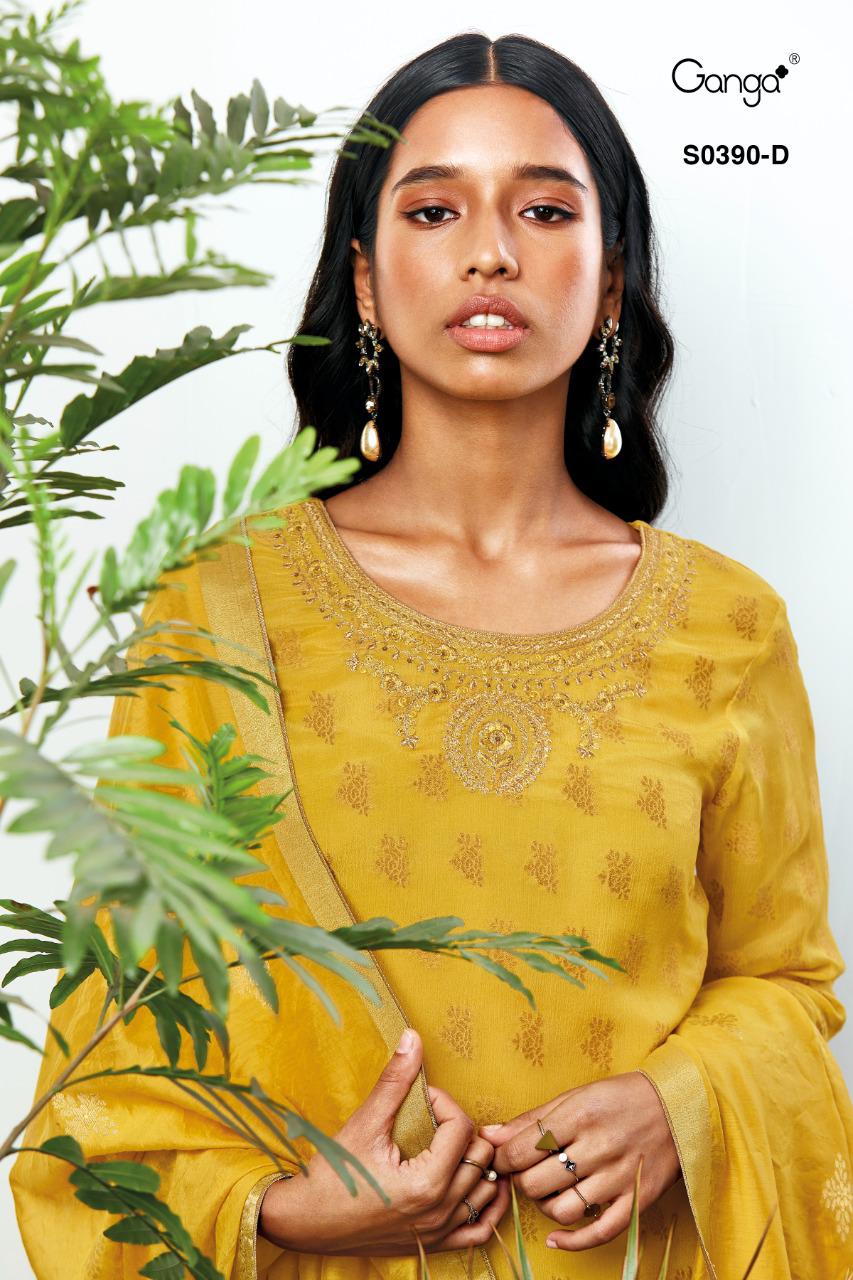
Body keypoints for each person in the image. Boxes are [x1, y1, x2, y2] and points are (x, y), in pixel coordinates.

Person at [12, 30, 853, 1280]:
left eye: (545, 209)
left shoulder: (726, 627)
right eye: (434, 208)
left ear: (610, 283)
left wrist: (678, 1100)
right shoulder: (218, 610)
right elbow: (110, 1049)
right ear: (364, 278)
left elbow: (783, 982)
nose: (490, 251)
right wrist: (285, 1210)